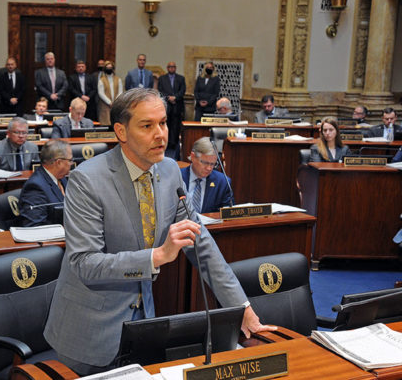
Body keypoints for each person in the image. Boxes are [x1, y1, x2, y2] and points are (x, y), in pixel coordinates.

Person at [43, 88, 274, 375]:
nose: (160, 134)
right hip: (88, 330)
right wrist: (157, 256)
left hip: (143, 324)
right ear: (121, 131)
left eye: (163, 123)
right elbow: (84, 263)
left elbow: (200, 243)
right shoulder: (86, 180)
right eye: (147, 125)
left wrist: (242, 308)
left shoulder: (169, 171)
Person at [18, 139, 71, 227]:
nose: (71, 163)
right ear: (59, 162)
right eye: (70, 160)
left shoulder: (62, 178)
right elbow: (35, 226)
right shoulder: (35, 187)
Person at [181, 137, 233, 213]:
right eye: (205, 162)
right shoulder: (177, 177)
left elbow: (229, 214)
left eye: (212, 164)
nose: (209, 168)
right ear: (193, 157)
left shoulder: (223, 183)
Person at [157, 62, 186, 152]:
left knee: (176, 126)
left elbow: (183, 90)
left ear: (175, 68)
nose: (171, 68)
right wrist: (168, 98)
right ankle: (166, 143)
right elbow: (160, 90)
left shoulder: (181, 78)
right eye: (170, 67)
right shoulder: (162, 78)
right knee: (166, 125)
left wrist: (175, 97)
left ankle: (174, 144)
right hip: (166, 105)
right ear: (167, 68)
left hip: (177, 105)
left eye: (173, 67)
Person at [97, 61, 123, 127]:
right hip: (105, 106)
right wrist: (109, 102)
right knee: (105, 125)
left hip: (116, 105)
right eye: (107, 67)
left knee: (115, 124)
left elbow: (120, 92)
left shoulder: (118, 79)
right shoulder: (101, 80)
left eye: (110, 67)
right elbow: (101, 93)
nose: (109, 69)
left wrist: (115, 102)